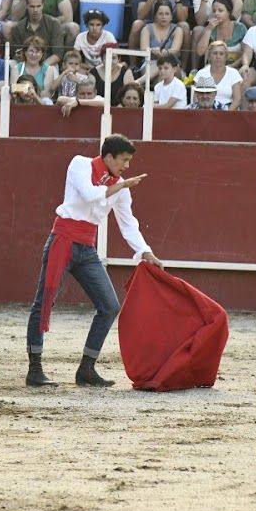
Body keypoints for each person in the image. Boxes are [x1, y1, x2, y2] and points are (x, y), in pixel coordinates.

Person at [25, 134, 162, 387]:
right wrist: (120, 186)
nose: (127, 167)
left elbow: (128, 222)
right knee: (43, 303)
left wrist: (145, 251)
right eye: (124, 160)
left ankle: (86, 369)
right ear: (108, 157)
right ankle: (35, 369)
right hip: (63, 240)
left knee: (109, 306)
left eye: (129, 161)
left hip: (87, 249)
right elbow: (89, 194)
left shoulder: (120, 186)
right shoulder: (80, 164)